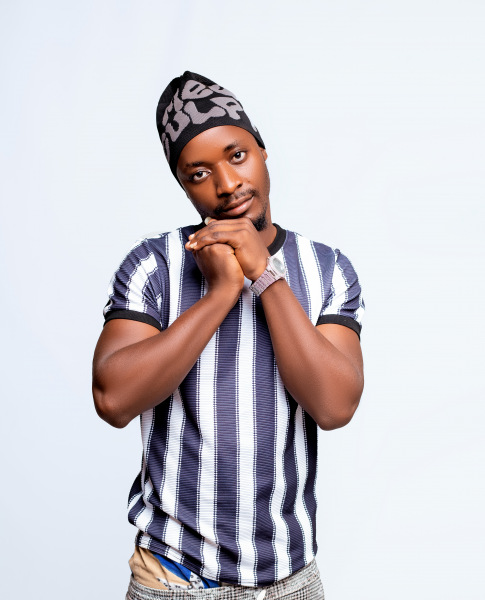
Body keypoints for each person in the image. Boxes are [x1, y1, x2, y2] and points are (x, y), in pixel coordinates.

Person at [92, 71, 365, 599]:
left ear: (262, 151)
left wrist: (265, 275)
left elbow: (334, 406)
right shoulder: (154, 265)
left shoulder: (327, 268)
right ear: (183, 185)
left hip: (290, 580)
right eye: (199, 173)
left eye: (237, 156)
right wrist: (219, 294)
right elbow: (113, 399)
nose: (227, 184)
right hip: (174, 579)